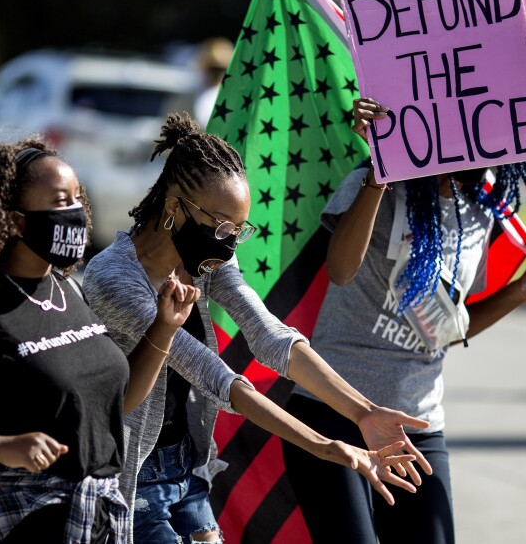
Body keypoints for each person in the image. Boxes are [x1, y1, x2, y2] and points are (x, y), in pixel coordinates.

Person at [82, 113, 429, 544]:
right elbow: (215, 377)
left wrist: (363, 412)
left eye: (237, 230)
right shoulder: (114, 279)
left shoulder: (207, 259)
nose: (227, 243)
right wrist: (324, 445)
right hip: (130, 474)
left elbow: (269, 334)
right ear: (174, 207)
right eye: (220, 226)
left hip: (187, 468)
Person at [281, 97, 526, 544]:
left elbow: (444, 330)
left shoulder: (479, 209)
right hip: (333, 411)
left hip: (417, 427)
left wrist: (523, 291)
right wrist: (379, 178)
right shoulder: (374, 181)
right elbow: (339, 271)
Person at [0, 141, 201, 542]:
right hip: (5, 520)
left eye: (77, 198)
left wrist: (164, 328)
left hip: (91, 518)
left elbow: (110, 405)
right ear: (14, 221)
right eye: (59, 201)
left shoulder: (66, 289)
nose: (76, 213)